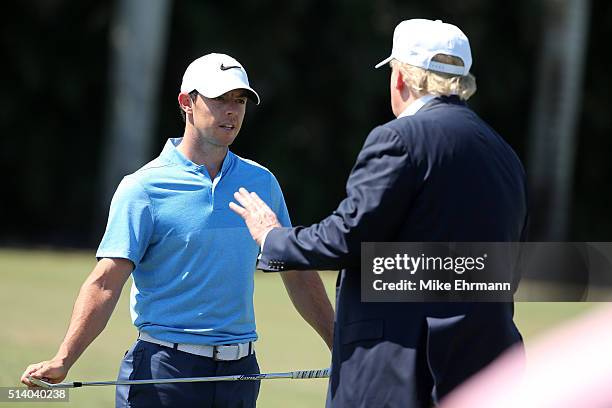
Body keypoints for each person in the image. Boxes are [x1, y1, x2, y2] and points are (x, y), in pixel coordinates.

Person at [230, 19, 529, 407]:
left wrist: (273, 237)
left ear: (402, 77)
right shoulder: (503, 153)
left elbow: (347, 237)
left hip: (400, 371)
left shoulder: (400, 138)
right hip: (488, 371)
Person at [21, 53, 334, 408]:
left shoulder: (261, 182)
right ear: (187, 102)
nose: (232, 111)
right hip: (164, 373)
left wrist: (340, 346)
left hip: (241, 374)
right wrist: (64, 357)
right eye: (219, 99)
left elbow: (295, 271)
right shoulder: (143, 187)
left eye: (240, 100)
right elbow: (106, 282)